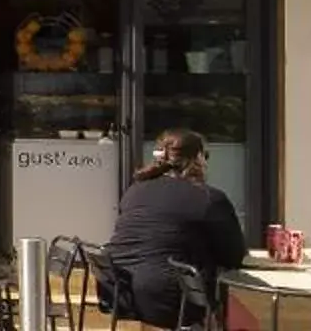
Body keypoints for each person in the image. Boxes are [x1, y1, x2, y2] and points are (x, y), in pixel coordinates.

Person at [101, 129, 247, 328]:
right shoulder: (209, 198)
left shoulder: (134, 190)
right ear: (197, 158)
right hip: (171, 301)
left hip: (119, 294)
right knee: (239, 310)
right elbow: (233, 256)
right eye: (206, 156)